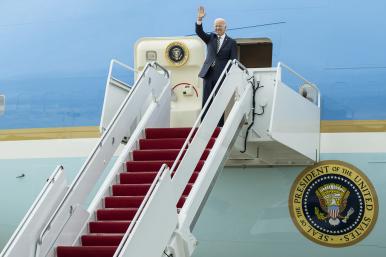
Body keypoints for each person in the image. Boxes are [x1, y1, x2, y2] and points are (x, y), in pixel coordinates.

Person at [195, 6, 237, 126]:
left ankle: (219, 125)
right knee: (207, 99)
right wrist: (199, 19)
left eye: (220, 26)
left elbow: (234, 60)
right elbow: (199, 32)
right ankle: (204, 124)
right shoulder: (210, 38)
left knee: (219, 100)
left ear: (225, 27)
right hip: (209, 73)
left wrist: (230, 75)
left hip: (222, 74)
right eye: (216, 26)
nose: (217, 28)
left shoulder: (232, 42)